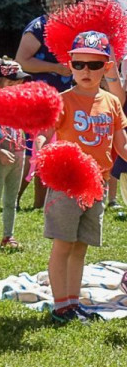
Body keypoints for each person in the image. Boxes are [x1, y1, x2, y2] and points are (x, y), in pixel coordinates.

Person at [39, 31, 127, 324]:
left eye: (94, 64)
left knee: (80, 247)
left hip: (97, 184)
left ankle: (73, 303)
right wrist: (42, 156)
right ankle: (60, 305)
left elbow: (120, 144)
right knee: (63, 244)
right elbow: (44, 135)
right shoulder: (62, 101)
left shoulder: (112, 103)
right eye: (79, 65)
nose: (86, 71)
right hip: (67, 183)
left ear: (107, 66)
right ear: (70, 65)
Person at [16, 0, 79, 211]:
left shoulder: (73, 28)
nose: (73, 7)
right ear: (54, 4)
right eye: (68, 2)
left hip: (65, 96)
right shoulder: (38, 27)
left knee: (56, 147)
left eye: (74, 2)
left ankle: (40, 204)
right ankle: (15, 197)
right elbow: (22, 61)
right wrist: (56, 68)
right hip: (40, 98)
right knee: (34, 148)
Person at [0, 59, 30, 247]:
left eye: (19, 84)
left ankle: (8, 235)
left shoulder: (19, 107)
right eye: (11, 84)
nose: (16, 88)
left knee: (11, 199)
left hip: (19, 157)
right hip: (0, 159)